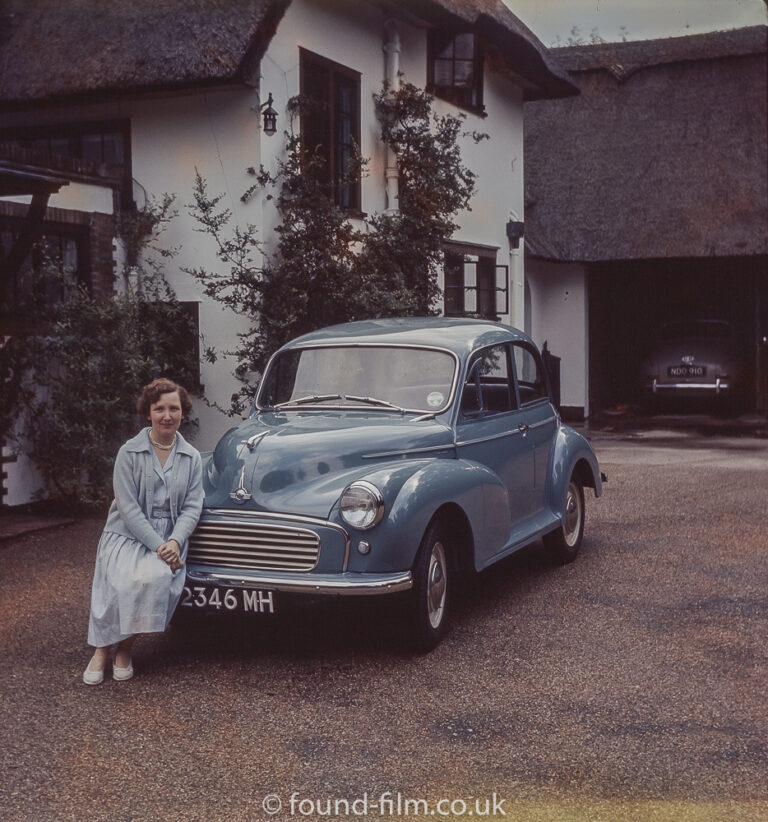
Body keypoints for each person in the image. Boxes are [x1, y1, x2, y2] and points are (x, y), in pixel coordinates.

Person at [83, 378, 203, 684]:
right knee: (121, 583)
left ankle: (124, 648)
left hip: (170, 539)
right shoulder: (129, 453)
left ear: (182, 412)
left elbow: (192, 505)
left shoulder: (192, 457)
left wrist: (175, 541)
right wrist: (157, 544)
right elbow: (127, 507)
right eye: (159, 408)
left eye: (173, 408)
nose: (167, 415)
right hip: (127, 533)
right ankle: (100, 650)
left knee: (157, 578)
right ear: (147, 413)